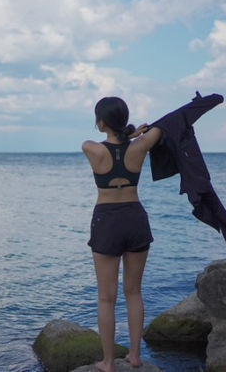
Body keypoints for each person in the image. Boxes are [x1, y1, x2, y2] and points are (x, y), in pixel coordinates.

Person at [82, 97, 162, 372]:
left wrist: (127, 133)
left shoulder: (92, 149)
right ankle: (135, 356)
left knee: (106, 297)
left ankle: (107, 362)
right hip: (135, 218)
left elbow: (91, 144)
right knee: (134, 292)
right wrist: (136, 134)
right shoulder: (141, 147)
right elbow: (161, 129)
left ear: (101, 122)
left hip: (107, 221)